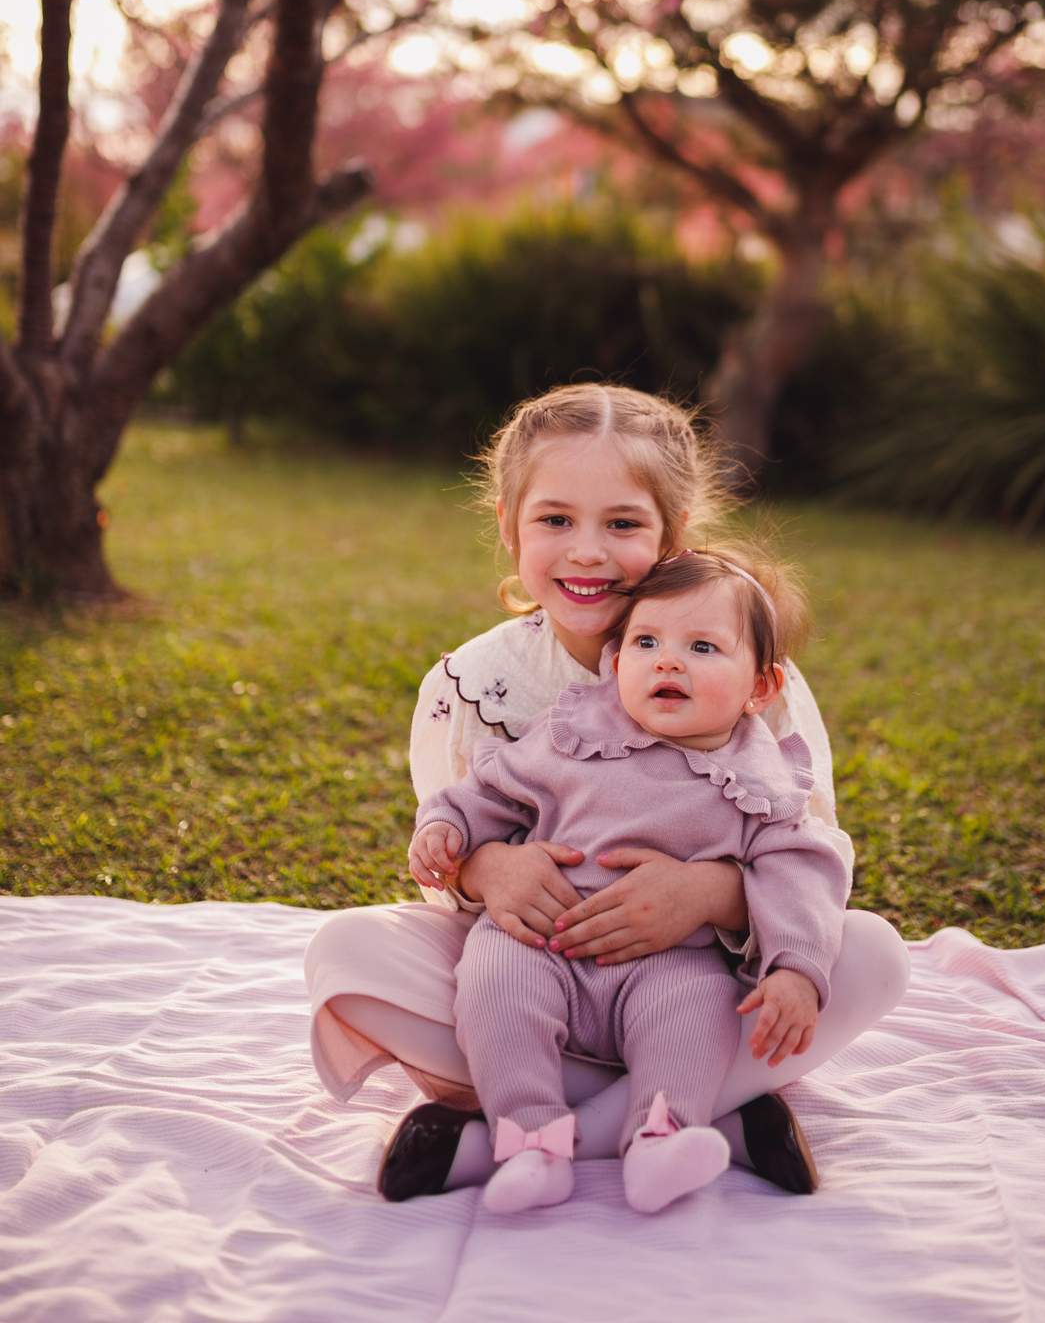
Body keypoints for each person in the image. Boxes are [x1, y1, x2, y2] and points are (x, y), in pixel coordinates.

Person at [303, 384, 910, 1200]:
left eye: (622, 524)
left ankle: (529, 1141)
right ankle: (709, 1121)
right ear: (508, 527)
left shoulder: (754, 677)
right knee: (344, 952)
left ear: (672, 536)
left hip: (690, 982)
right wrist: (485, 870)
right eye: (555, 520)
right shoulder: (469, 686)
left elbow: (810, 851)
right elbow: (447, 841)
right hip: (530, 974)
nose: (586, 552)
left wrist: (711, 893)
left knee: (870, 954)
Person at [410, 547, 850, 1215]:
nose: (668, 660)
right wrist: (448, 829)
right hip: (541, 942)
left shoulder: (758, 780)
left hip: (669, 963)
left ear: (760, 689)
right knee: (492, 984)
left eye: (703, 647)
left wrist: (795, 968)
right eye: (647, 642)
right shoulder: (572, 733)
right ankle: (530, 1141)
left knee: (701, 1015)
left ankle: (659, 1138)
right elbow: (489, 791)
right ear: (616, 665)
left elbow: (803, 873)